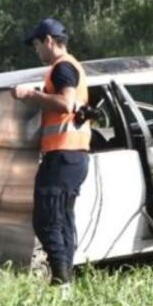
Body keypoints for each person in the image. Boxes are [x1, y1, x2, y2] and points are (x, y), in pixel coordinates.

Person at [11, 18, 90, 286]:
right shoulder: (70, 66)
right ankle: (65, 281)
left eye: (36, 45)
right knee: (63, 220)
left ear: (48, 40)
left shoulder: (62, 68)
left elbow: (66, 104)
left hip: (63, 156)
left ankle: (61, 282)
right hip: (73, 156)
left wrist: (31, 95)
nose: (36, 51)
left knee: (46, 220)